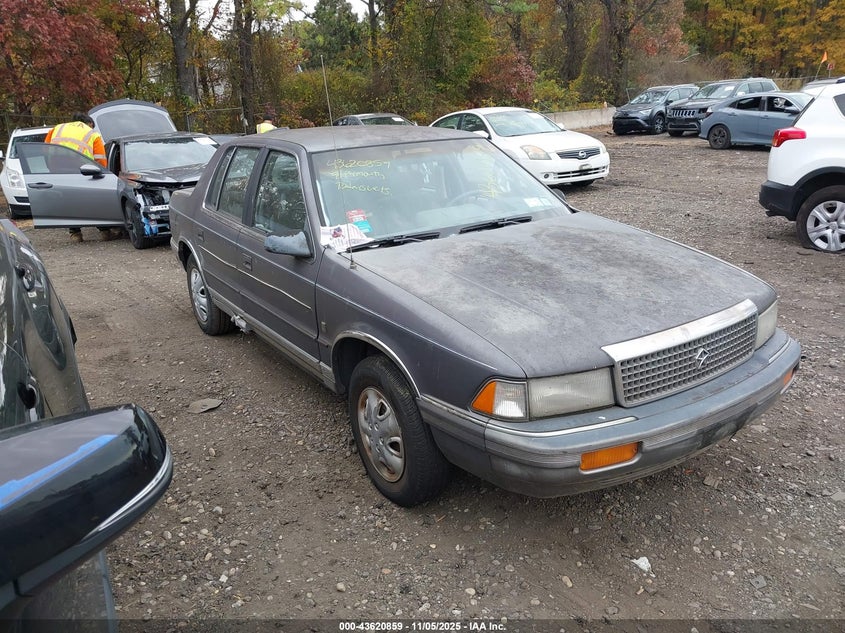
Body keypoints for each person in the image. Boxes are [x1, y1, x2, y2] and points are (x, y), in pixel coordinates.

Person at [45, 113, 117, 242]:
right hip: (84, 172)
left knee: (69, 202)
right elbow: (100, 159)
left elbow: (45, 150)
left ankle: (75, 234)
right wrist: (101, 175)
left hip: (59, 172)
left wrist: (51, 169)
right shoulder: (92, 134)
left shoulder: (57, 129)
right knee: (94, 201)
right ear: (89, 124)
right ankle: (105, 231)